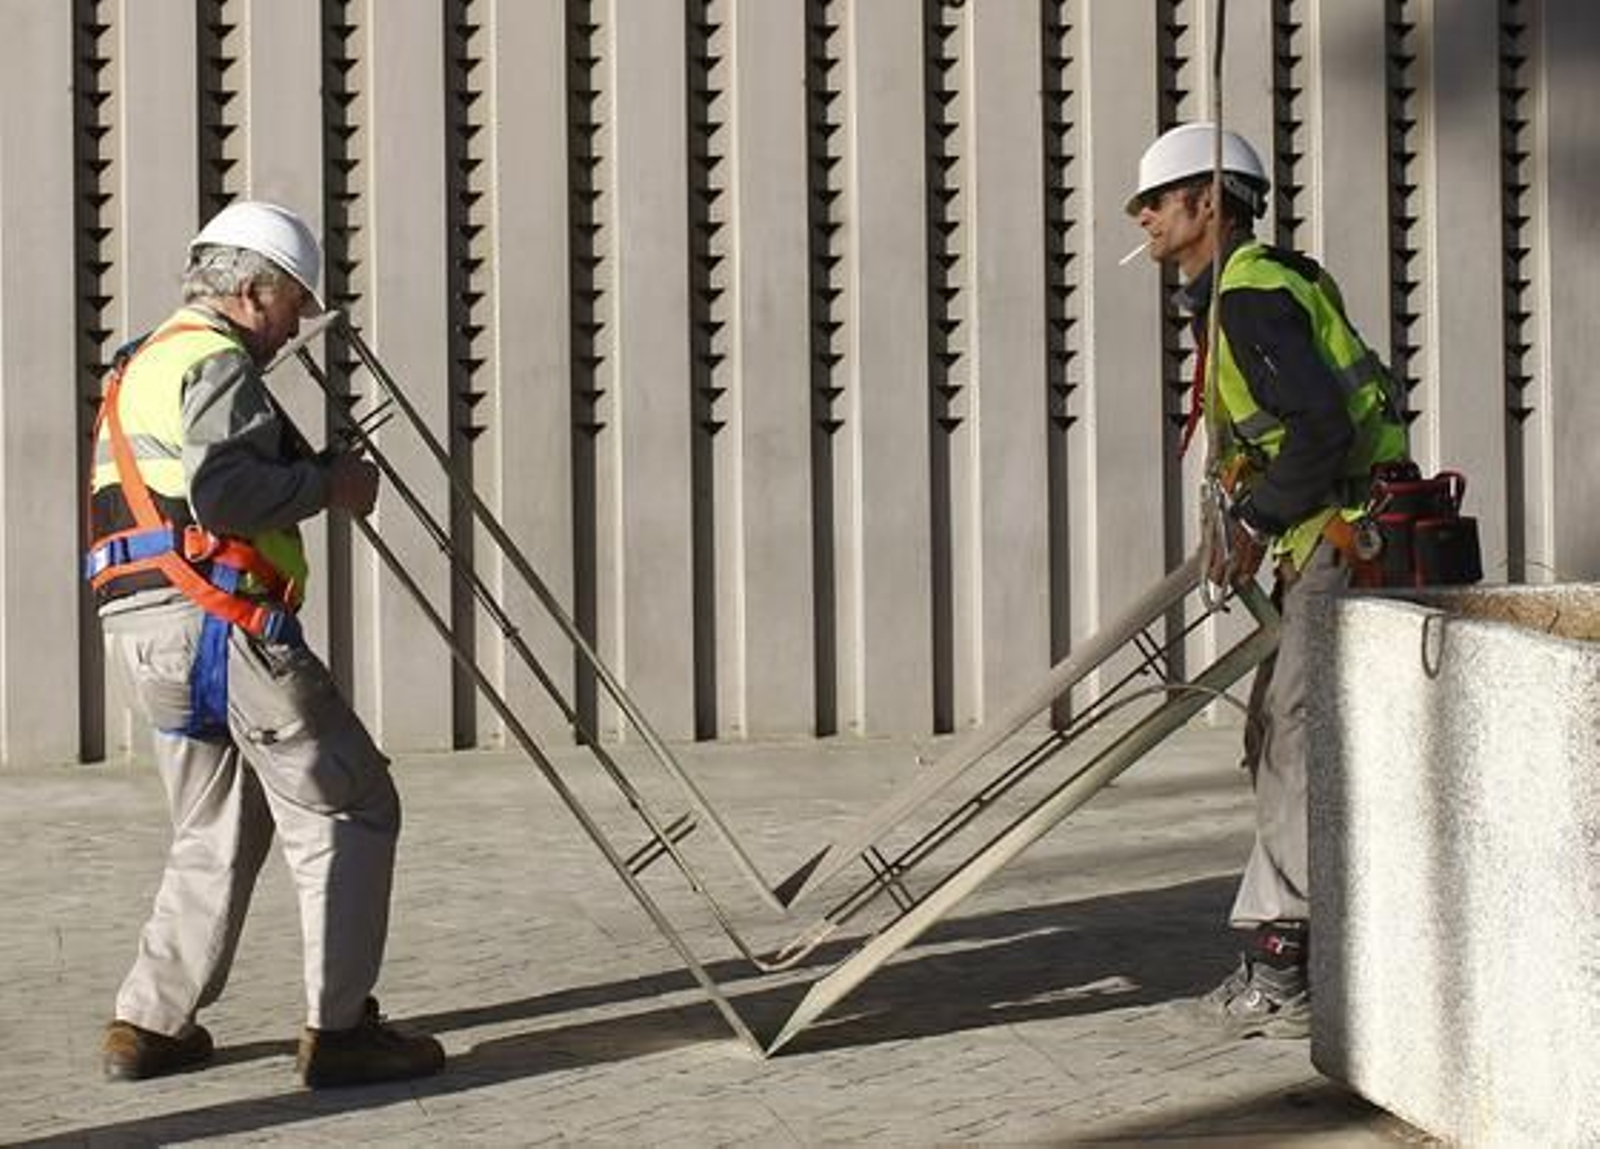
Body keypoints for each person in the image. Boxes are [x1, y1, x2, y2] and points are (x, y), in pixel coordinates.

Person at [86, 201, 445, 1088]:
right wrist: (332, 484)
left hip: (143, 632)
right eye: (290, 306)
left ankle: (150, 1022)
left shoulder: (141, 363)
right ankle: (343, 1029)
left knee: (215, 826)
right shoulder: (214, 361)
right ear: (251, 291)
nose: (292, 329)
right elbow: (227, 489)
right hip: (227, 625)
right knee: (351, 803)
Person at [1126, 124, 1409, 1038]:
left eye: (1158, 200)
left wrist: (1251, 519)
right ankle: (1295, 942)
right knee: (1273, 731)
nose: (1142, 216)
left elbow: (1321, 430)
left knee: (1293, 732)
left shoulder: (1249, 299)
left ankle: (1284, 961)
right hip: (1315, 538)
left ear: (1209, 202)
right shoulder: (1242, 295)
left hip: (1336, 537)